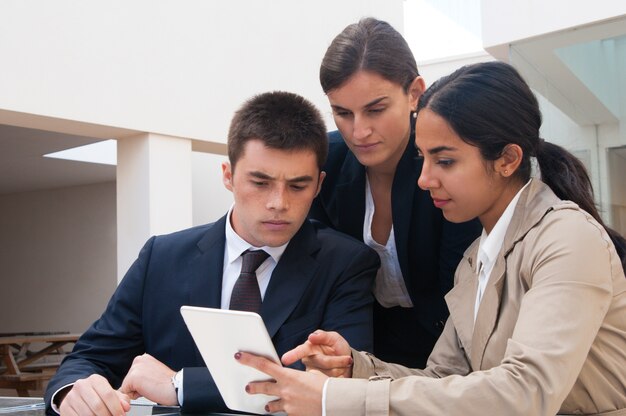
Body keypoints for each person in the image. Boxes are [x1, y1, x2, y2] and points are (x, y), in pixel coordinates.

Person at [237, 62, 626, 415]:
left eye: (445, 160)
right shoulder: (477, 258)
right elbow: (443, 377)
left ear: (507, 159)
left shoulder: (567, 239)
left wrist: (332, 399)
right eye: (423, 158)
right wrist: (356, 367)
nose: (424, 179)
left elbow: (526, 391)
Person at [44, 91, 380, 415]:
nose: (279, 202)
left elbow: (334, 391)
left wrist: (180, 385)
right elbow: (89, 358)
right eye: (260, 183)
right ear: (228, 176)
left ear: (319, 185)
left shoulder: (346, 264)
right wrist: (74, 391)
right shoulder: (160, 258)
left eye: (297, 185)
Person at [308, 17, 482, 368]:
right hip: (362, 348)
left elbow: (462, 291)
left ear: (415, 92)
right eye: (342, 113)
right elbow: (322, 273)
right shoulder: (327, 161)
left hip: (456, 351)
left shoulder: (448, 163)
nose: (359, 131)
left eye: (376, 109)